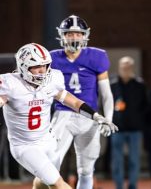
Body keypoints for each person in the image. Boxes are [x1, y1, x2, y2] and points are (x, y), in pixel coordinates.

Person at [0, 43, 117, 189]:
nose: (42, 70)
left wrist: (96, 116)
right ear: (23, 66)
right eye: (36, 66)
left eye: (45, 65)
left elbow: (73, 101)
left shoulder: (53, 78)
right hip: (25, 145)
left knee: (43, 181)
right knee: (58, 184)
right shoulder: (10, 83)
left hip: (47, 140)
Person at [49, 15, 115, 189]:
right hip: (63, 114)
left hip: (89, 115)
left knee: (86, 170)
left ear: (85, 35)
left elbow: (106, 93)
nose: (74, 37)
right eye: (70, 33)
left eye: (78, 34)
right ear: (62, 35)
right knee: (52, 162)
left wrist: (108, 118)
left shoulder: (96, 56)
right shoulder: (52, 58)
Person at [110, 56, 147, 189]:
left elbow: (145, 105)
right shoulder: (113, 84)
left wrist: (139, 119)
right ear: (119, 68)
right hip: (117, 127)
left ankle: (132, 185)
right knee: (117, 160)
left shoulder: (139, 85)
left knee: (134, 159)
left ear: (132, 68)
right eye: (123, 67)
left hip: (135, 128)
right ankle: (119, 186)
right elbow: (106, 104)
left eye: (128, 67)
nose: (125, 70)